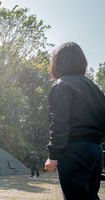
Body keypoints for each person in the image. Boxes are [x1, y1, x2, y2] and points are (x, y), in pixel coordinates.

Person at [44, 42, 105, 200]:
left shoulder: (61, 85)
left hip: (73, 151)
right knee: (90, 196)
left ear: (58, 62)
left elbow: (59, 123)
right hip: (96, 151)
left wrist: (53, 155)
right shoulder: (94, 87)